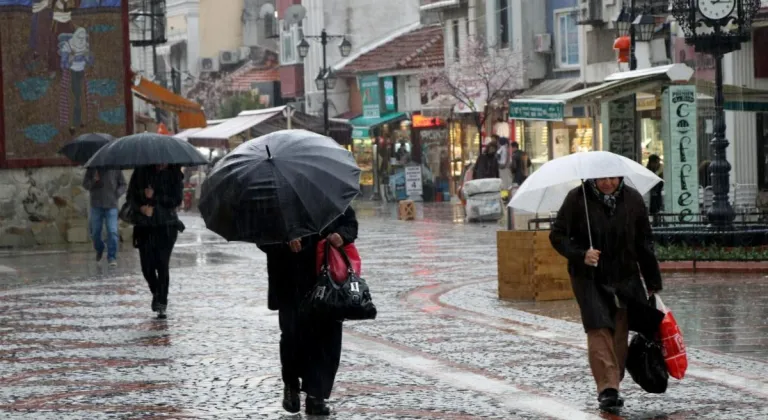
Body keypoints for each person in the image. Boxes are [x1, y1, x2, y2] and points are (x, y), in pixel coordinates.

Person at [549, 177, 663, 410]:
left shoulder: (632, 199)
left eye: (613, 178)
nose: (608, 183)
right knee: (598, 326)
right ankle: (608, 389)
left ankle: (613, 379)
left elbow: (644, 242)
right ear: (593, 178)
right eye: (603, 178)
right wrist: (582, 253)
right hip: (589, 277)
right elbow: (557, 235)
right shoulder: (576, 198)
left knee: (619, 328)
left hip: (624, 276)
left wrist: (652, 280)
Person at [259, 207, 358, 416]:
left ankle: (317, 395)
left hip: (327, 279)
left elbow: (350, 224)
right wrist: (285, 240)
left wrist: (342, 235)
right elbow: (262, 236)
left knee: (328, 338)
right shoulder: (275, 198)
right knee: (293, 336)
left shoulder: (327, 193)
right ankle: (291, 386)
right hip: (290, 282)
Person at [126, 164, 185, 319]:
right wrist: (141, 208)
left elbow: (177, 200)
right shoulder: (141, 171)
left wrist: (155, 197)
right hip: (145, 226)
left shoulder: (174, 174)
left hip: (166, 226)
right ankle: (156, 292)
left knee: (162, 264)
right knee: (147, 267)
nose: (161, 163)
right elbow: (130, 197)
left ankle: (162, 303)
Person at [82, 167, 126, 267]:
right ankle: (100, 248)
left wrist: (117, 193)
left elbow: (123, 184)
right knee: (95, 232)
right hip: (96, 205)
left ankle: (112, 257)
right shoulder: (92, 168)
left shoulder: (115, 167)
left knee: (112, 231)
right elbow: (85, 184)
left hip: (111, 205)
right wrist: (94, 181)